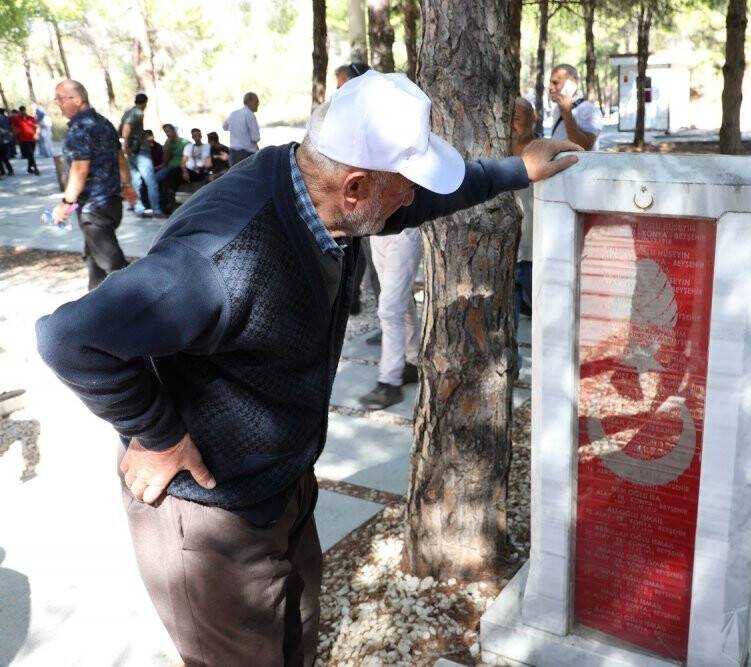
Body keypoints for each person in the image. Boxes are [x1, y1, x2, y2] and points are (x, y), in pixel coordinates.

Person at [35, 70, 578, 666]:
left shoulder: (325, 195)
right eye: (403, 185)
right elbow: (70, 338)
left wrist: (514, 169)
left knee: (296, 644)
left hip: (280, 484)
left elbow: (419, 200)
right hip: (213, 515)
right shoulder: (222, 257)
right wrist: (157, 434)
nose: (410, 199)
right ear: (354, 186)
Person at [49, 80, 136, 290]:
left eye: (60, 98)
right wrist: (126, 185)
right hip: (111, 204)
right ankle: (94, 300)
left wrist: (65, 204)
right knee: (94, 259)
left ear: (77, 100)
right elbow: (120, 157)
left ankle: (139, 303)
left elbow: (80, 170)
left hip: (94, 209)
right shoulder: (103, 122)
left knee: (114, 266)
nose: (58, 104)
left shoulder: (80, 130)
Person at [334, 61, 378, 317]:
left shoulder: (369, 116)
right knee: (356, 257)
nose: (339, 92)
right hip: (352, 200)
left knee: (375, 267)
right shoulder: (344, 115)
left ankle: (388, 330)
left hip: (371, 201)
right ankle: (354, 300)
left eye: (343, 86)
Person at [511, 98, 538, 374]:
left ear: (534, 118)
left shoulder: (545, 152)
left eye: (518, 117)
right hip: (509, 255)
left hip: (538, 256)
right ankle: (512, 369)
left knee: (548, 322)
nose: (513, 124)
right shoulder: (498, 153)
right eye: (508, 117)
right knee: (508, 326)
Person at [120, 93, 163, 217]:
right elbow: (127, 127)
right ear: (145, 103)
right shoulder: (138, 113)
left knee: (136, 181)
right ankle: (156, 209)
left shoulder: (128, 112)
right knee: (151, 182)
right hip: (140, 150)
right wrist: (126, 145)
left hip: (132, 151)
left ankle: (139, 209)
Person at [548, 64, 602, 151]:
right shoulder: (557, 108)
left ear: (571, 84)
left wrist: (567, 114)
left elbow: (585, 147)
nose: (550, 87)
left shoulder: (588, 109)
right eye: (550, 82)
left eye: (555, 83)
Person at [155, 123, 188, 210]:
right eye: (165, 132)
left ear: (174, 131)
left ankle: (166, 204)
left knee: (163, 178)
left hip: (178, 168)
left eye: (168, 131)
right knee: (156, 178)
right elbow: (165, 160)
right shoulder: (168, 143)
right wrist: (167, 146)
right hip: (169, 166)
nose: (167, 134)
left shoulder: (185, 143)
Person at [223, 92, 260, 166]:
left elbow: (224, 127)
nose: (258, 105)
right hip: (248, 153)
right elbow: (255, 138)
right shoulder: (250, 115)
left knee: (235, 175)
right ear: (249, 101)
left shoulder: (234, 113)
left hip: (233, 152)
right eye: (256, 102)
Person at [11, 107, 40, 175]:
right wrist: (16, 135)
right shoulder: (16, 119)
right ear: (19, 111)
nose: (23, 112)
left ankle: (29, 168)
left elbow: (37, 126)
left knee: (31, 154)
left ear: (25, 110)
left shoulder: (31, 118)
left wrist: (37, 134)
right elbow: (13, 127)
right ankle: (36, 168)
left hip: (32, 138)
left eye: (24, 111)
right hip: (23, 139)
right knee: (30, 153)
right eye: (21, 111)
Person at [0, 109, 14, 177]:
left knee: (2, 157)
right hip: (6, 139)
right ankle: (10, 170)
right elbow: (10, 127)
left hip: (1, 139)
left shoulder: (1, 118)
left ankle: (2, 172)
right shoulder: (6, 118)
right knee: (4, 157)